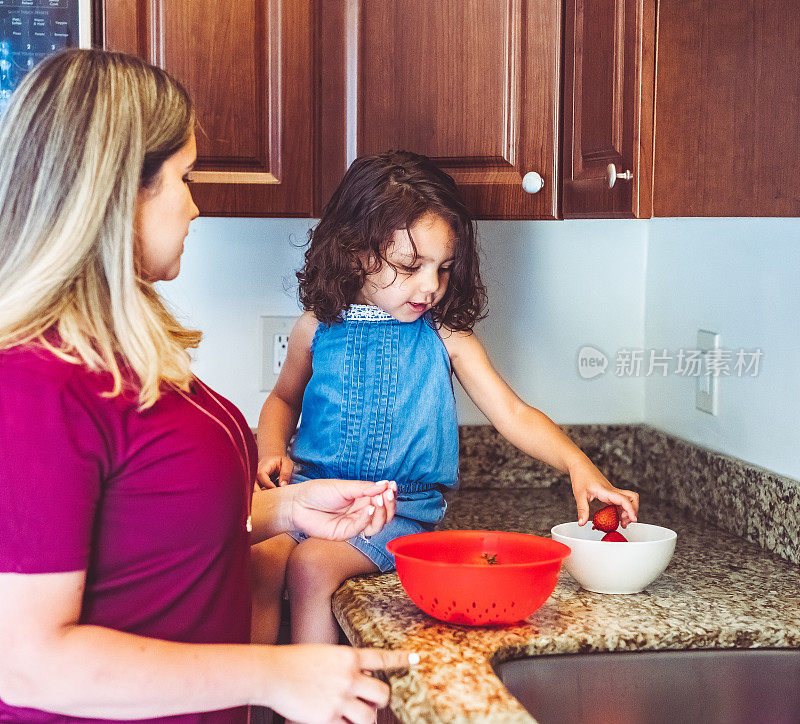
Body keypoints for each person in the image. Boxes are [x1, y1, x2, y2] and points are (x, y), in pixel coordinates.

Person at [0, 49, 412, 724]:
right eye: (184, 178)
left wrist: (289, 511)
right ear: (117, 189)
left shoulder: (119, 349)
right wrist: (273, 674)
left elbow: (146, 535)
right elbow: (28, 661)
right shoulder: (33, 383)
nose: (195, 207)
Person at [251, 151, 641, 647]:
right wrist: (271, 451)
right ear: (355, 251)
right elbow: (282, 400)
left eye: (443, 268)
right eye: (410, 266)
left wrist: (578, 465)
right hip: (309, 494)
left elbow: (513, 414)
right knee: (261, 561)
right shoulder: (316, 327)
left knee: (310, 566)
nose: (430, 286)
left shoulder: (446, 335)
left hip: (398, 512)